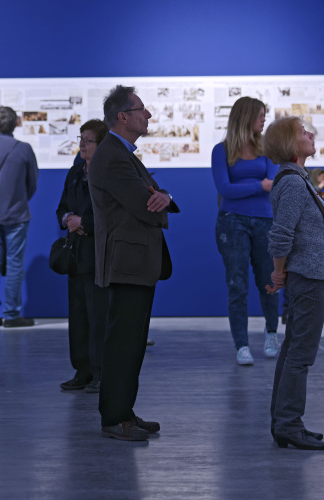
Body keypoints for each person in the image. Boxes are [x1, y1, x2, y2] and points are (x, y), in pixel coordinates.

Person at [88, 85, 180, 441]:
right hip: (127, 261)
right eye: (142, 109)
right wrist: (159, 199)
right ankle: (114, 417)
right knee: (123, 342)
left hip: (135, 262)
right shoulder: (112, 155)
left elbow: (158, 196)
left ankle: (124, 412)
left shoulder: (123, 153)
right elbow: (145, 204)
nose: (148, 115)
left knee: (133, 340)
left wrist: (165, 196)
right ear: (122, 116)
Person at [264, 116, 324, 450]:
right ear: (290, 145)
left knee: (294, 349)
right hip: (308, 277)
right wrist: (279, 273)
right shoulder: (293, 183)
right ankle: (289, 424)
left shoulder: (296, 179)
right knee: (301, 355)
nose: (310, 134)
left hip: (308, 275)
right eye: (302, 132)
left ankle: (284, 422)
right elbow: (280, 236)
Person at [211, 97, 280, 365]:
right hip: (232, 222)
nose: (264, 119)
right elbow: (225, 190)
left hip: (265, 220)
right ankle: (242, 345)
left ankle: (271, 333)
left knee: (270, 281)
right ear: (246, 116)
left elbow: (273, 182)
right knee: (237, 285)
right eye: (261, 115)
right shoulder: (222, 150)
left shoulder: (266, 148)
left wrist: (260, 185)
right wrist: (258, 186)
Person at [56, 119, 110, 394]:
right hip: (75, 255)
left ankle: (100, 372)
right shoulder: (75, 172)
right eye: (81, 139)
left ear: (101, 145)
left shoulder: (107, 174)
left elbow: (110, 214)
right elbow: (61, 207)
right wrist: (67, 218)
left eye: (88, 140)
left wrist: (83, 222)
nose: (82, 144)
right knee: (77, 315)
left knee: (97, 315)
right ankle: (82, 370)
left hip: (97, 255)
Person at [0, 106, 39, 328]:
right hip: (17, 214)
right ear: (15, 124)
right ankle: (12, 315)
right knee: (14, 264)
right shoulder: (24, 149)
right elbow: (32, 183)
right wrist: (19, 199)